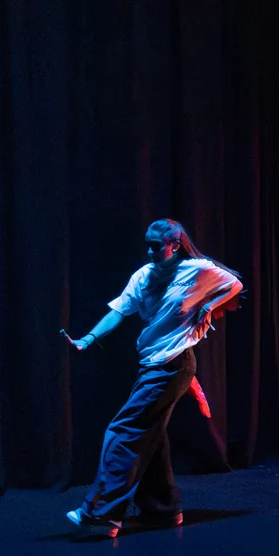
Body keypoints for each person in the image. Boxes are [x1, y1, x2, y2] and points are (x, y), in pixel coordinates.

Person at [63, 219, 243, 536]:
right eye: (147, 244)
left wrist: (209, 307)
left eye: (156, 245)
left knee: (123, 431)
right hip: (152, 364)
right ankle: (163, 510)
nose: (149, 251)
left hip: (173, 364)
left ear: (175, 245)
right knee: (151, 435)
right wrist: (88, 339)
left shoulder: (197, 270)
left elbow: (234, 284)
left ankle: (103, 513)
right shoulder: (144, 276)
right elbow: (119, 310)